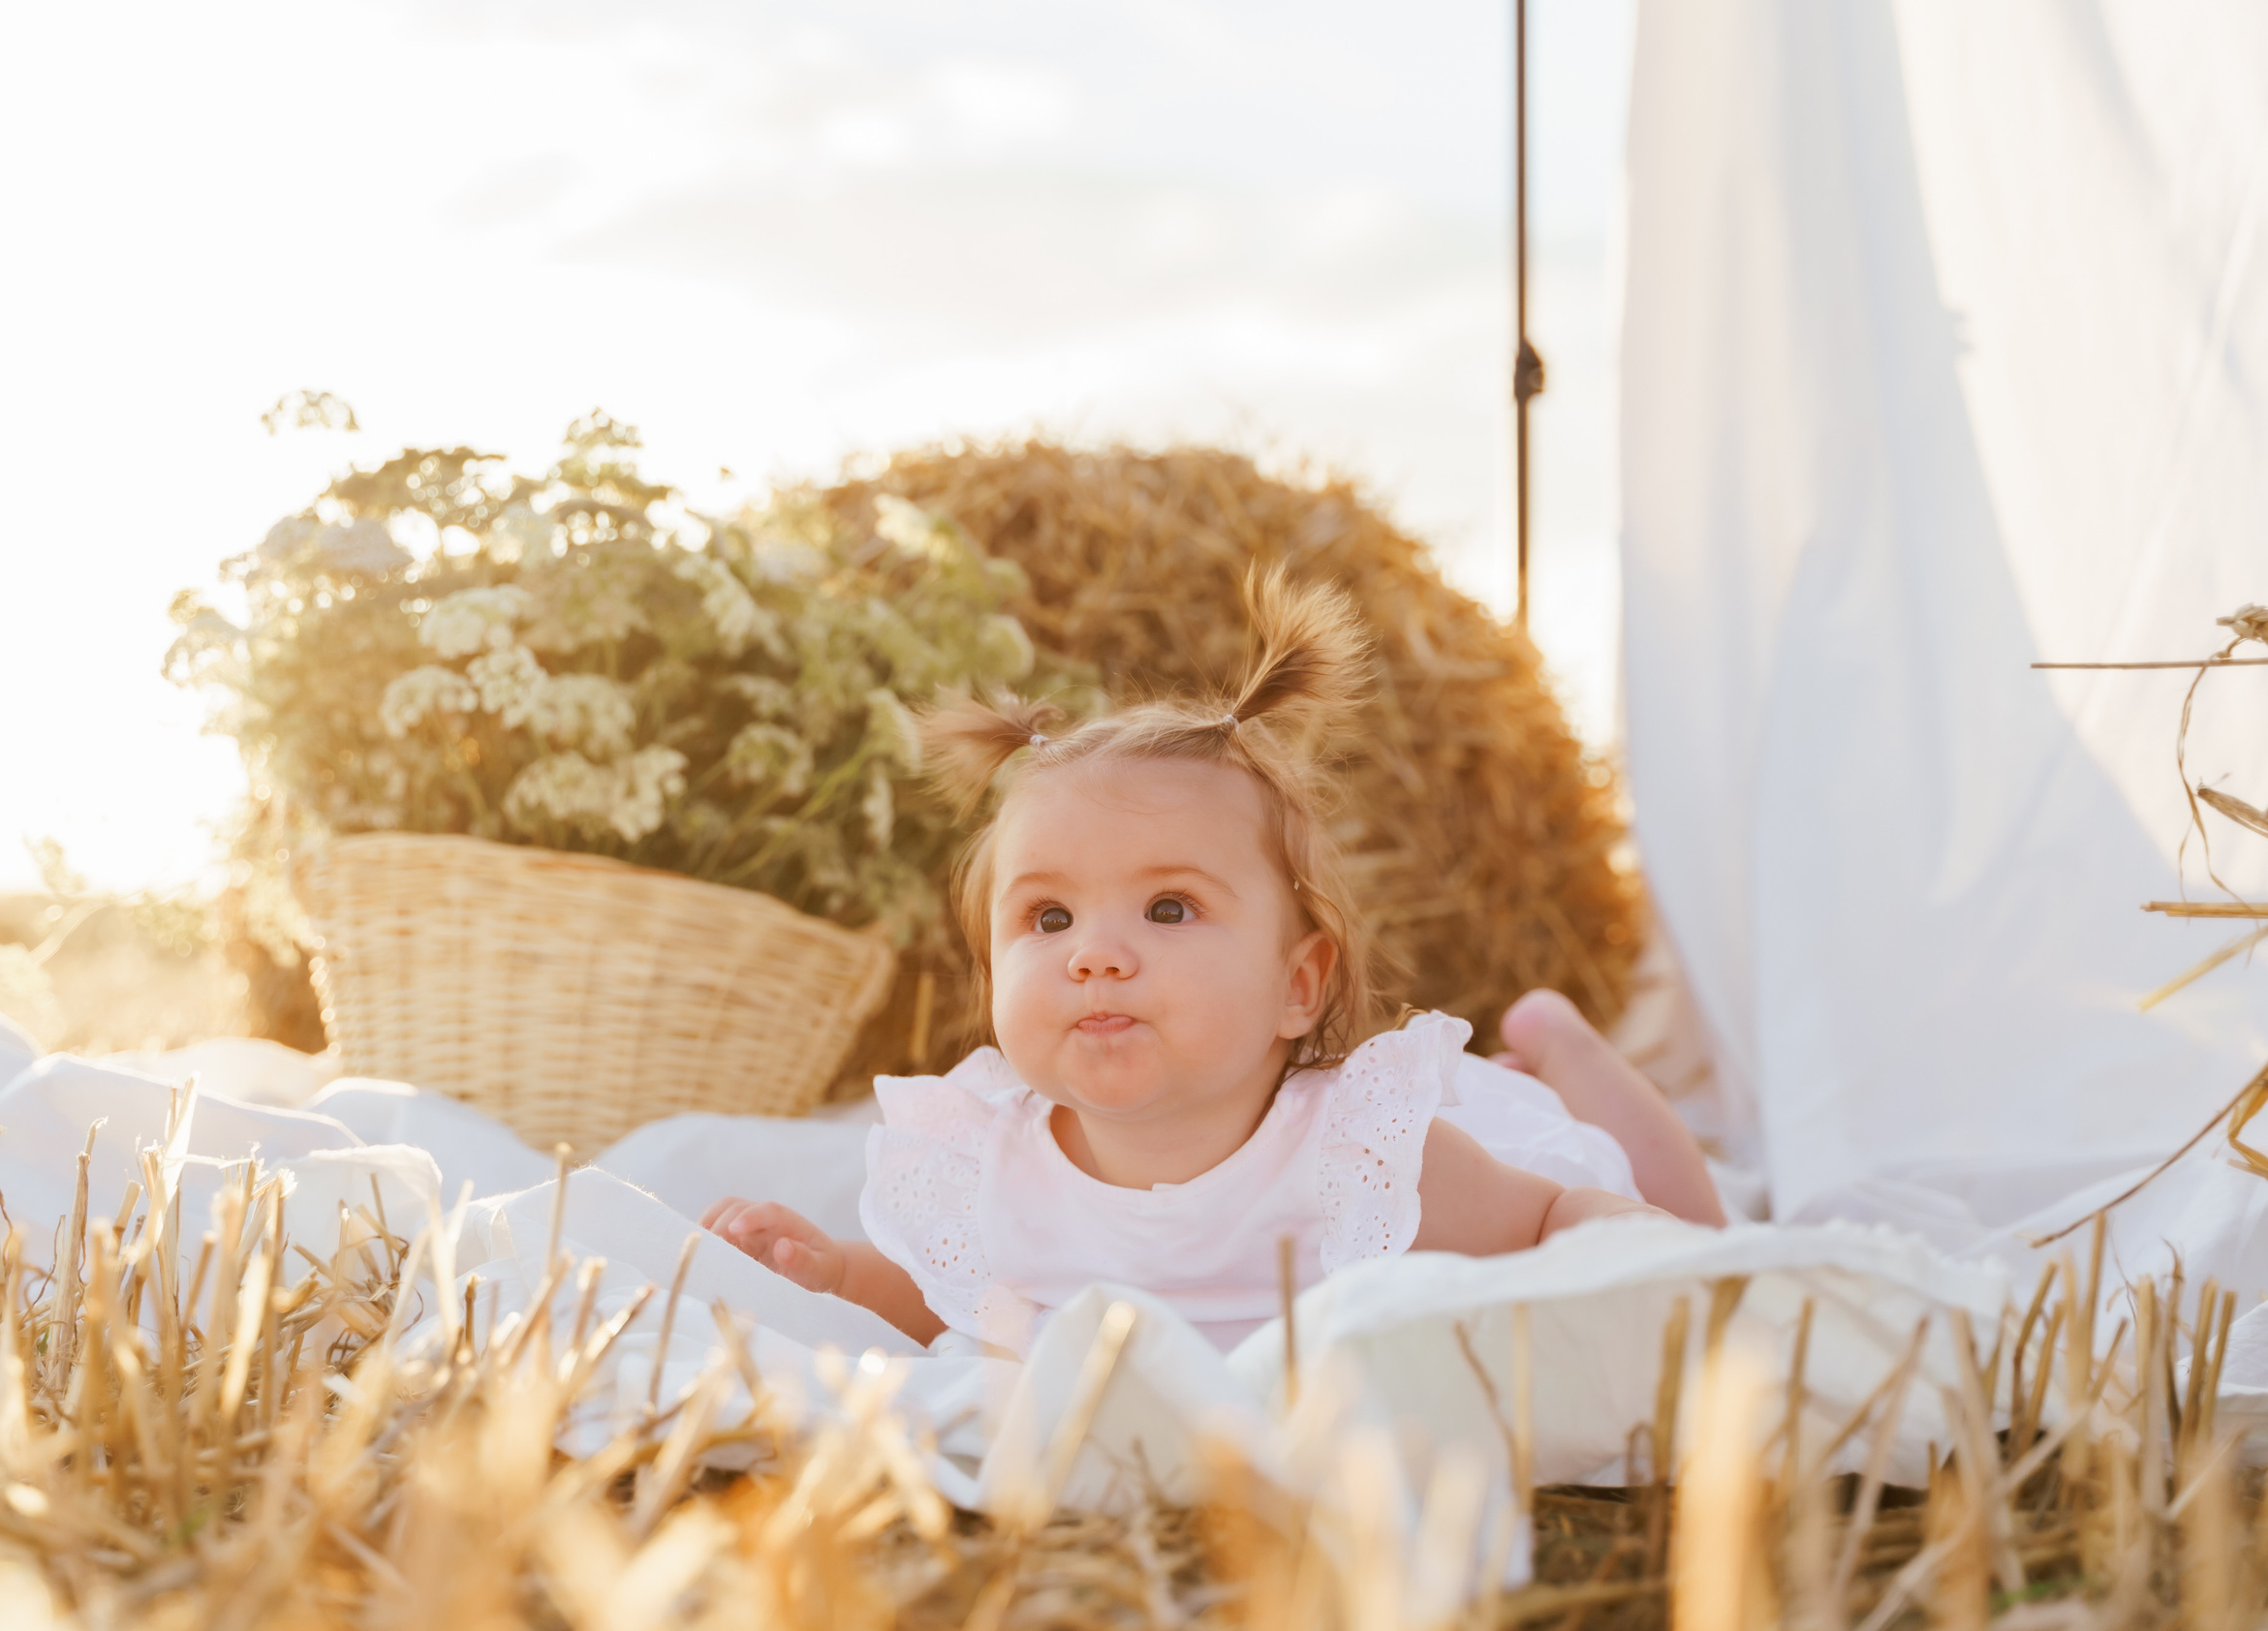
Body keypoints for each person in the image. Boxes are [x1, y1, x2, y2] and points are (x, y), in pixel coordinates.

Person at [703, 571, 1724, 1353]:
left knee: (1684, 1218)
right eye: (1047, 918)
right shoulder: (985, 1165)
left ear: (1298, 986)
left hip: (1525, 1167)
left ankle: (1565, 1048)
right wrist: (831, 1268)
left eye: (1167, 907)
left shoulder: (1368, 1158)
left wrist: (1641, 1245)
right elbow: (948, 1303)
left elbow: (1548, 1214)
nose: (1096, 955)